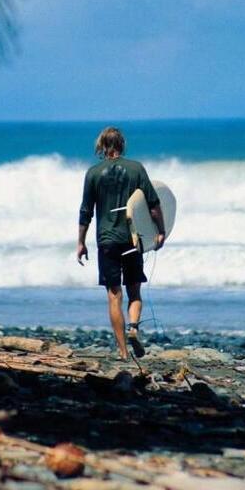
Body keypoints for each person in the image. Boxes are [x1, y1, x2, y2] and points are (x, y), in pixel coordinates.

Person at [77, 127, 165, 360]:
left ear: (102, 146)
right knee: (134, 290)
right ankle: (134, 328)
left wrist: (81, 242)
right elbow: (153, 204)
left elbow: (86, 211)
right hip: (132, 239)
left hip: (107, 241)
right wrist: (161, 231)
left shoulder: (93, 173)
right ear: (122, 145)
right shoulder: (136, 169)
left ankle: (124, 352)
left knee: (114, 295)